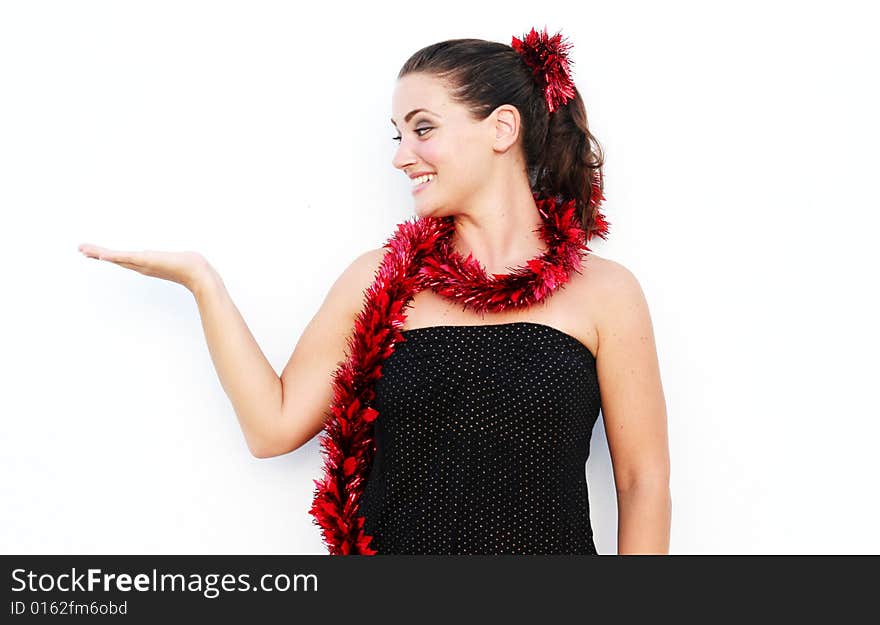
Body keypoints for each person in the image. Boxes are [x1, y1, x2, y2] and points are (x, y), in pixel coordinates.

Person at [78, 27, 671, 555]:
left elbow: (642, 482)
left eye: (423, 129)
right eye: (397, 134)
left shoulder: (604, 293)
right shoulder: (379, 279)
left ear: (502, 129)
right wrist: (202, 283)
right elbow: (272, 427)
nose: (400, 156)